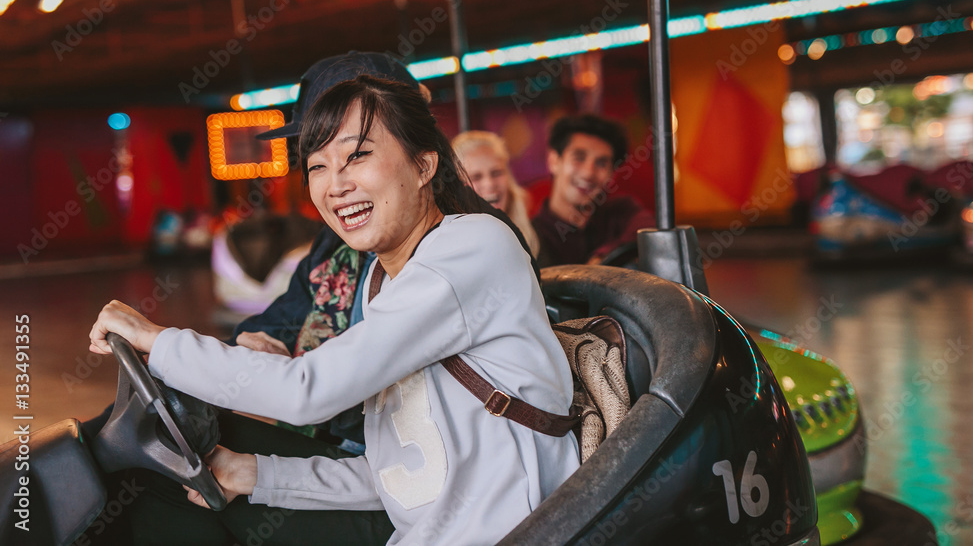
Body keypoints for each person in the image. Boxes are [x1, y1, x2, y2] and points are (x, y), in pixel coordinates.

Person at [89, 75, 580, 545]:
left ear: (424, 165)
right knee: (168, 469)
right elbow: (401, 476)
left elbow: (309, 391)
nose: (334, 184)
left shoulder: (473, 245)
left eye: (358, 155)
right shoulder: (381, 279)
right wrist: (259, 474)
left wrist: (157, 339)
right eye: (318, 166)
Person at [532, 114, 655, 267]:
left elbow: (649, 230)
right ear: (554, 161)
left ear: (612, 175)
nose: (588, 173)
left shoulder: (622, 212)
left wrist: (603, 256)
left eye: (601, 163)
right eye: (579, 158)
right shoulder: (532, 235)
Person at [452, 130, 540, 256]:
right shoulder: (453, 247)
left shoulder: (534, 233)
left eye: (496, 173)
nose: (490, 184)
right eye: (476, 177)